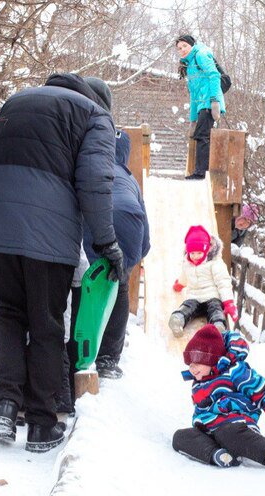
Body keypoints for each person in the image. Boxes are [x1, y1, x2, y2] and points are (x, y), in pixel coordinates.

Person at [0, 73, 124, 452]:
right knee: (46, 322)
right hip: (49, 230)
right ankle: (40, 424)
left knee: (7, 314)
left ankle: (4, 407)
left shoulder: (16, 101)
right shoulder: (94, 116)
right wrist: (106, 241)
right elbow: (95, 180)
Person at [172, 324, 265, 472]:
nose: (191, 369)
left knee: (227, 433)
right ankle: (219, 454)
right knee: (179, 437)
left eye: (196, 364)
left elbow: (262, 392)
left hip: (236, 427)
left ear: (211, 359)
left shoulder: (235, 371)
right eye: (190, 365)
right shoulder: (199, 382)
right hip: (210, 431)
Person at [83, 131, 151, 380]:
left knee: (85, 283)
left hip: (95, 221)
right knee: (118, 285)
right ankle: (108, 359)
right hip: (130, 224)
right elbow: (143, 222)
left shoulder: (88, 168)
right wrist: (136, 256)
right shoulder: (130, 179)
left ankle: (83, 345)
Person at [169, 225, 236, 336]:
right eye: (192, 253)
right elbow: (185, 276)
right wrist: (180, 285)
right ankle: (178, 319)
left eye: (199, 253)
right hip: (194, 297)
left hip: (212, 296)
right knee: (187, 307)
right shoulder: (187, 263)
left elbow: (223, 282)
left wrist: (228, 302)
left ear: (206, 250)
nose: (195, 256)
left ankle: (218, 326)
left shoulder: (215, 263)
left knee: (215, 309)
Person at [176, 34, 226, 180]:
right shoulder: (189, 65)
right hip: (201, 105)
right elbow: (193, 95)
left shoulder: (201, 55)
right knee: (200, 134)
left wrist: (215, 101)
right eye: (179, 48)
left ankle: (201, 173)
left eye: (185, 46)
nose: (182, 50)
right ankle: (200, 171)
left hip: (210, 102)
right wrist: (193, 120)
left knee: (202, 135)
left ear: (192, 45)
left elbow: (214, 75)